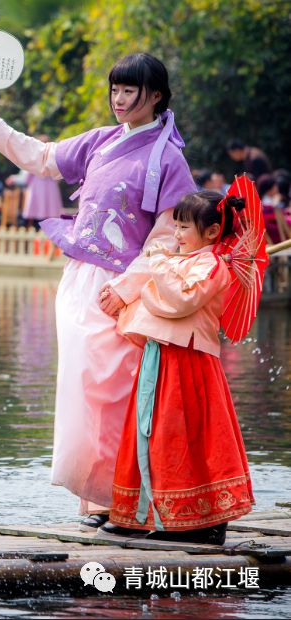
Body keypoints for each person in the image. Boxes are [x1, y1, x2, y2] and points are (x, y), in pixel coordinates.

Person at [0, 52, 197, 528]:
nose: (119, 99)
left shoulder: (169, 159)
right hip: (79, 281)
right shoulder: (101, 141)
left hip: (125, 289)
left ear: (155, 96)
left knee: (117, 390)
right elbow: (44, 158)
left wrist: (127, 286)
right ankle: (95, 498)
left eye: (129, 91)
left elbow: (167, 239)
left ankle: (128, 497)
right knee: (79, 390)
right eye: (114, 90)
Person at [97, 190, 255, 545]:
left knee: (183, 436)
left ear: (212, 232)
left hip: (189, 359)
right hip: (162, 353)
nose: (177, 233)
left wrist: (157, 270)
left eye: (184, 227)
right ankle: (141, 513)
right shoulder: (182, 258)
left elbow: (179, 302)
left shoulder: (213, 265)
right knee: (147, 430)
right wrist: (161, 272)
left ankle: (201, 519)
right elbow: (162, 295)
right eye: (176, 226)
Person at [6, 135, 65, 229]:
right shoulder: (55, 157)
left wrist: (13, 178)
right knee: (51, 222)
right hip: (51, 192)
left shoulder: (34, 157)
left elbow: (25, 178)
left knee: (36, 221)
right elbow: (59, 176)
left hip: (38, 192)